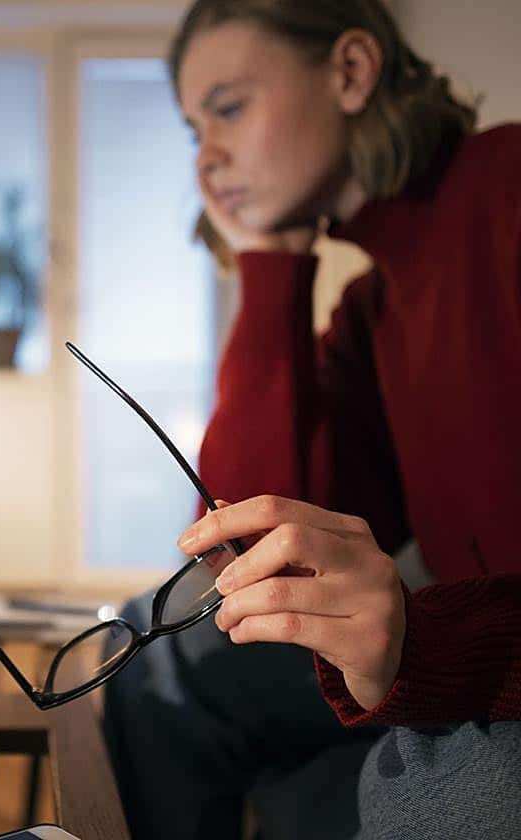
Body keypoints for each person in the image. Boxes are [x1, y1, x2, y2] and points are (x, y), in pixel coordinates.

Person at [100, 2, 521, 839]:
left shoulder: (507, 191)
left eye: (228, 108)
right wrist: (269, 266)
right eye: (194, 131)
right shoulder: (375, 308)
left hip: (482, 657)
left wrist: (424, 645)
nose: (207, 159)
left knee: (447, 798)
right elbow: (240, 553)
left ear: (352, 71)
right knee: (153, 651)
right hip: (451, 644)